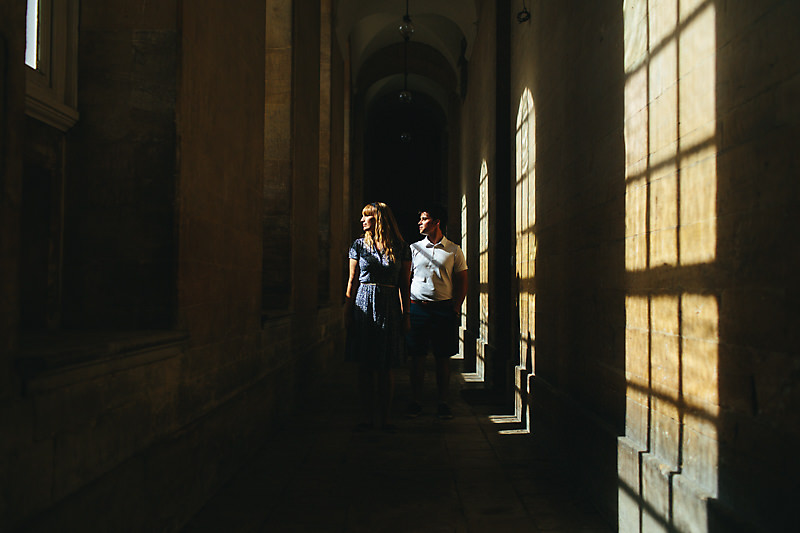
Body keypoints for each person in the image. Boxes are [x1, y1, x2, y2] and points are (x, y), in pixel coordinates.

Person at [345, 202, 411, 431]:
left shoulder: (401, 247)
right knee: (365, 364)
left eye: (367, 217)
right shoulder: (358, 246)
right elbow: (352, 281)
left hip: (390, 304)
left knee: (385, 364)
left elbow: (405, 284)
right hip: (364, 302)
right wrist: (348, 311)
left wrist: (406, 315)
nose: (362, 221)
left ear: (379, 219)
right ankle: (366, 416)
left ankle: (385, 418)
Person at [406, 204, 468, 419]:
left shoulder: (453, 250)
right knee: (417, 357)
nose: (419, 222)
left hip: (443, 310)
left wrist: (456, 306)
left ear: (436, 222)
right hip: (418, 308)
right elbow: (405, 280)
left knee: (443, 357)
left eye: (424, 219)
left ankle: (442, 401)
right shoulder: (414, 249)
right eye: (420, 218)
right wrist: (406, 308)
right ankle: (415, 400)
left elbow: (462, 281)